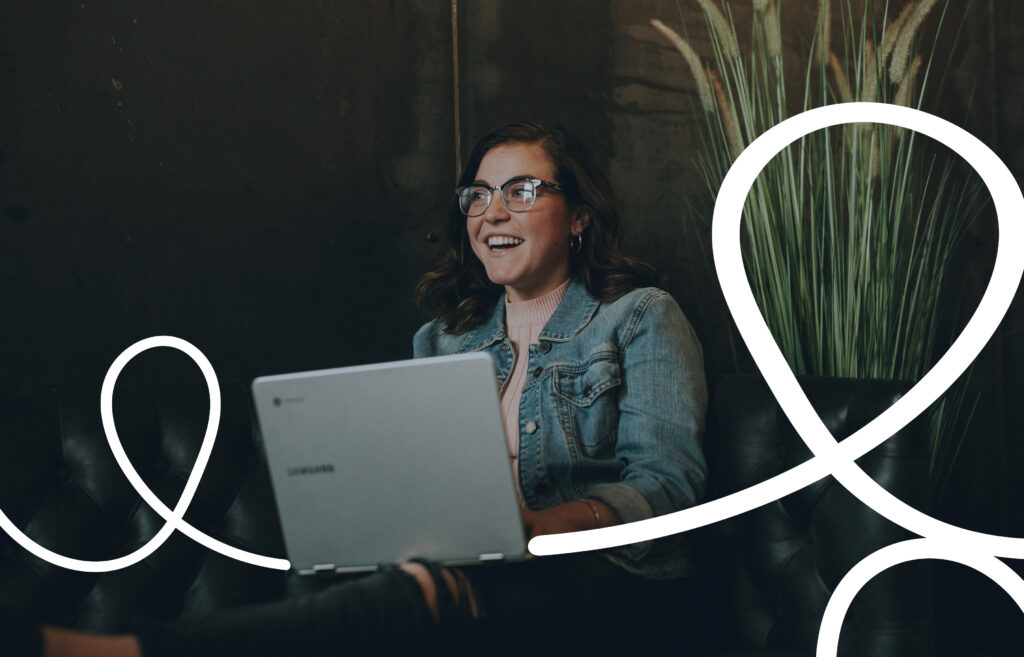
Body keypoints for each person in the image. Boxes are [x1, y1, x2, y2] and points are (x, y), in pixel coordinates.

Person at [14, 121, 707, 656]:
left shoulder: (640, 316)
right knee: (374, 592)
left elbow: (668, 486)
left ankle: (123, 652)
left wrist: (539, 528)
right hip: (479, 577)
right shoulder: (442, 339)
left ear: (579, 216)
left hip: (614, 583)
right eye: (477, 195)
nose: (492, 213)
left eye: (522, 191)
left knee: (410, 603)